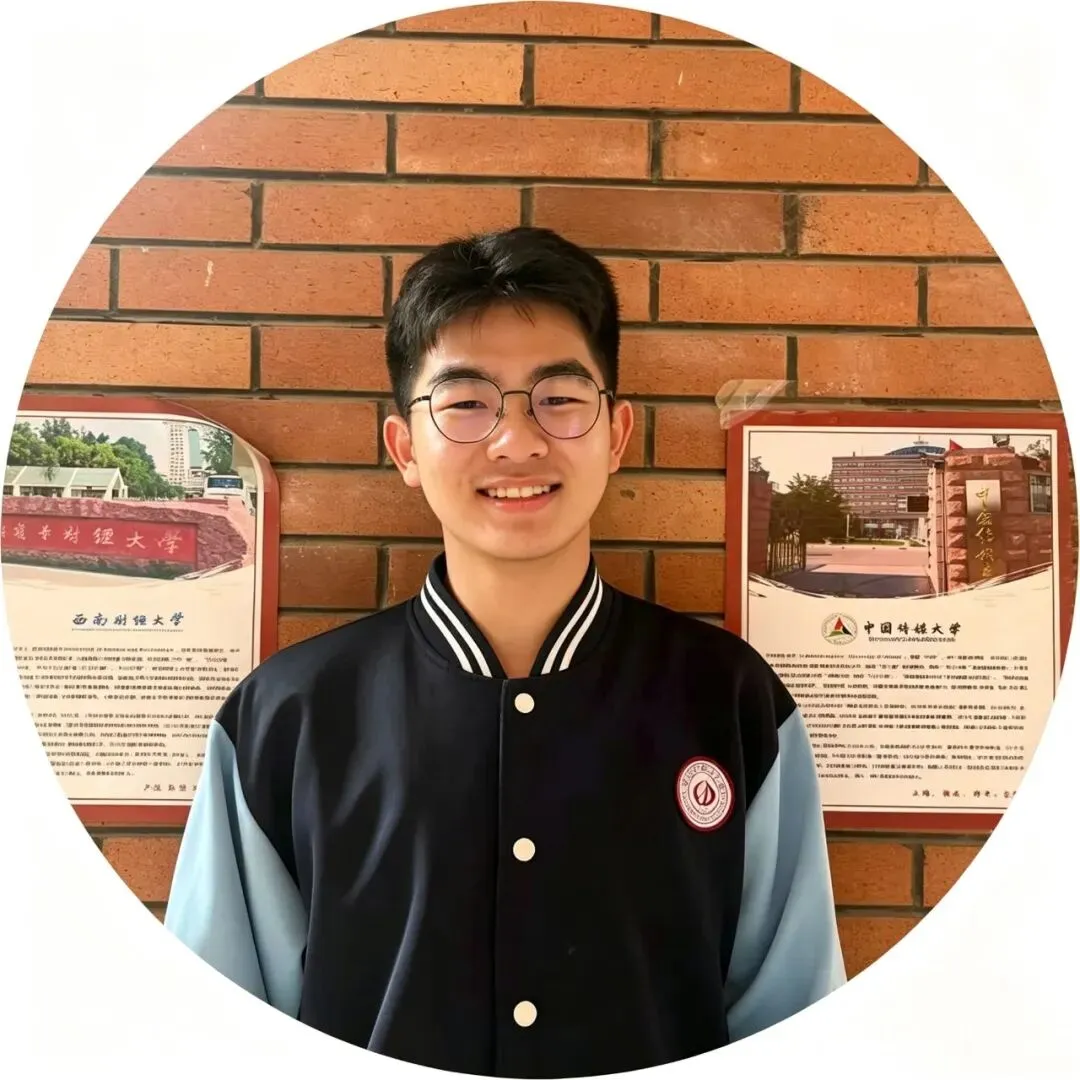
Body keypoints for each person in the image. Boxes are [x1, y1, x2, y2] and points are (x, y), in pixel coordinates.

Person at [164, 226, 846, 1077]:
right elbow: (215, 1032)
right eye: (465, 403)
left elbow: (796, 1023)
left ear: (617, 435)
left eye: (558, 398)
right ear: (404, 448)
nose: (516, 441)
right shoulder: (286, 718)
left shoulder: (730, 701)